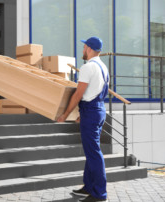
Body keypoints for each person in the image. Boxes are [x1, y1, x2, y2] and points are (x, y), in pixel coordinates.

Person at [57, 36, 109, 202]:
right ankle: (89, 186)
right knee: (91, 151)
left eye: (84, 47)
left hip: (92, 112)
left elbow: (78, 94)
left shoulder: (88, 67)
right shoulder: (103, 66)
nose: (82, 50)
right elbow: (95, 91)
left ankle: (100, 194)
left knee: (93, 153)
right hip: (98, 110)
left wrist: (65, 114)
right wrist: (83, 112)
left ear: (89, 49)